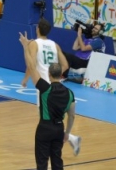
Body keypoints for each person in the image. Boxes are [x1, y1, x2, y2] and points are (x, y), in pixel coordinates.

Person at [21, 18, 81, 156]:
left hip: (43, 87)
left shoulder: (34, 44)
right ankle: (71, 138)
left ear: (37, 29)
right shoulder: (55, 44)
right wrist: (55, 74)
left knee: (45, 119)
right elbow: (65, 65)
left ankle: (71, 139)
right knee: (55, 118)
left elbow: (31, 64)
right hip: (56, 84)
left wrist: (25, 79)